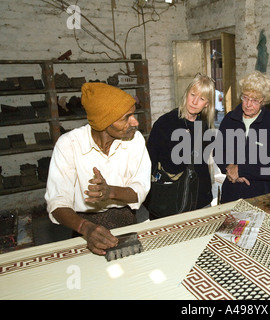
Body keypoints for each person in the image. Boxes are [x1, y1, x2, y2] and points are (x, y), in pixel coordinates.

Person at [45, 82, 151, 256]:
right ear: (104, 121)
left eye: (134, 114)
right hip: (83, 227)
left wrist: (110, 192)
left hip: (126, 220)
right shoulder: (69, 144)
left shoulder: (135, 140)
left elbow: (140, 190)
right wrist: (84, 228)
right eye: (126, 117)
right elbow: (57, 203)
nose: (135, 122)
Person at [145, 73, 215, 219]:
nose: (195, 101)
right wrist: (150, 199)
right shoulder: (165, 123)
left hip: (201, 199)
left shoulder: (204, 124)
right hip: (171, 201)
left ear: (207, 104)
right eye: (193, 94)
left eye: (201, 98)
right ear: (187, 93)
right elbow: (148, 163)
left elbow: (204, 161)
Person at [216, 71, 270, 203]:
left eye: (255, 100)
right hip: (232, 191)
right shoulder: (230, 119)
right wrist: (230, 169)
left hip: (262, 195)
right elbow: (219, 152)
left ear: (264, 101)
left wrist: (241, 170)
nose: (248, 104)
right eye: (246, 98)